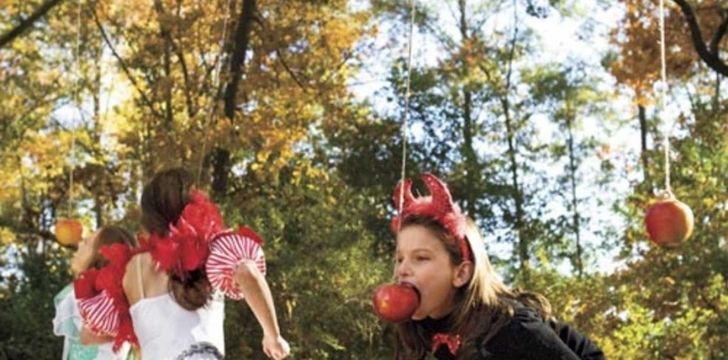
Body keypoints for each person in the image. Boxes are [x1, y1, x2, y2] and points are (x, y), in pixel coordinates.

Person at [74, 168, 290, 359]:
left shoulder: (128, 270)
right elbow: (248, 272)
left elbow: (91, 335)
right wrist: (273, 336)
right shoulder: (208, 252)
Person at [389, 173, 604, 360]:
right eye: (400, 259)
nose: (402, 270)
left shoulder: (512, 329)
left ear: (461, 273)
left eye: (421, 258)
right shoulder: (428, 325)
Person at [53, 225, 137, 359]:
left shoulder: (90, 297)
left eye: (86, 242)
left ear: (100, 255)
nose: (80, 244)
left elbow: (87, 339)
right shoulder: (122, 299)